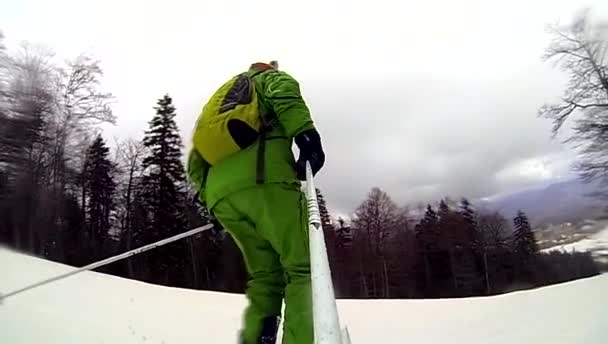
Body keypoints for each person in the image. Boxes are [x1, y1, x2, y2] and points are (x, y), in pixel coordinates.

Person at [186, 61, 325, 344]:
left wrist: (209, 200)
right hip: (265, 182)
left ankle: (256, 339)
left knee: (265, 276)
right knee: (303, 269)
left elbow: (195, 160)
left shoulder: (218, 104)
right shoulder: (267, 79)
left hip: (221, 198)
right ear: (266, 68)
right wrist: (306, 135)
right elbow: (285, 94)